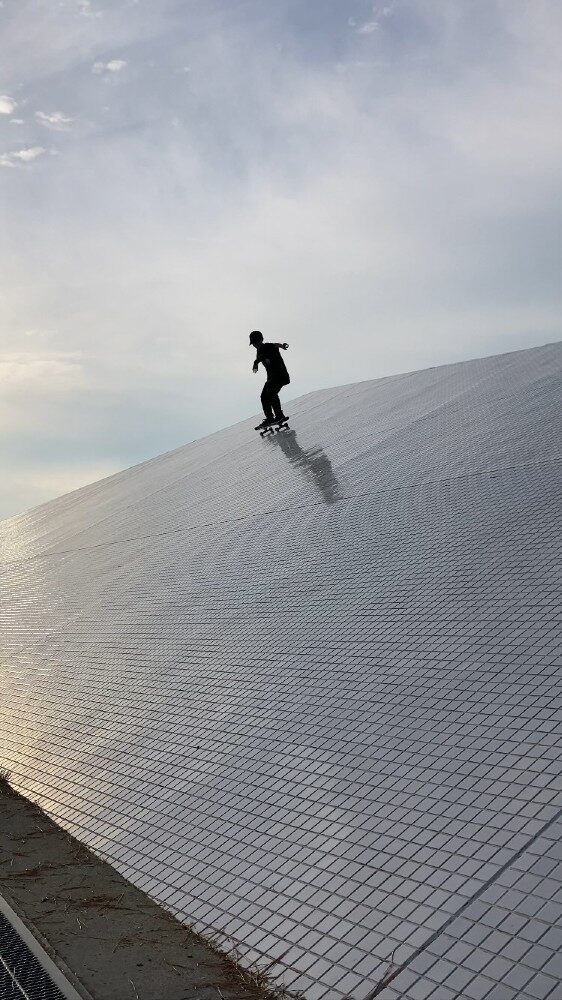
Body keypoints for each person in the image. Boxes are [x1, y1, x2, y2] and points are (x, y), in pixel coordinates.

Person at [250, 330, 290, 428]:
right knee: (264, 396)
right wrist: (256, 363)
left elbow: (275, 345)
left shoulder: (268, 346)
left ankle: (279, 415)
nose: (255, 345)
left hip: (280, 375)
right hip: (271, 378)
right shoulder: (259, 351)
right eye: (254, 344)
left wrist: (283, 346)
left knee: (271, 393)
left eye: (256, 343)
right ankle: (270, 418)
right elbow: (259, 357)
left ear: (261, 340)